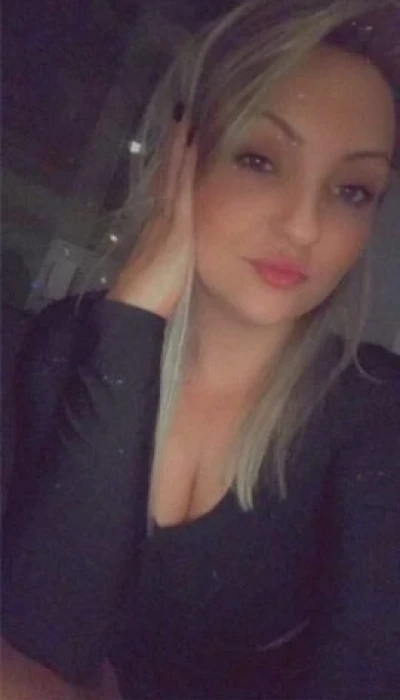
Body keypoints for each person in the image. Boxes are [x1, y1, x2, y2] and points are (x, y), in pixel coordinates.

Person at [2, 0, 400, 698]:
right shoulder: (71, 343)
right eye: (260, 160)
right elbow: (46, 640)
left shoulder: (375, 410)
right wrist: (133, 318)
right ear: (180, 160)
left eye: (352, 190)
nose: (304, 227)